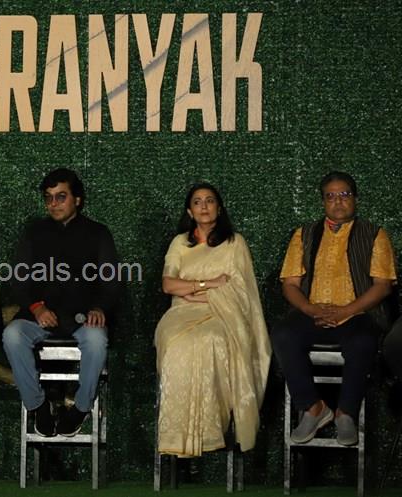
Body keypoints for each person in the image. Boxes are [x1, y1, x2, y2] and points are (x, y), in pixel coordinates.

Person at [272, 171, 397, 446]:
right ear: (323, 202)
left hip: (358, 314)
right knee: (283, 334)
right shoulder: (304, 234)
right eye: (331, 196)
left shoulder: (374, 234)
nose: (338, 201)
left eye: (344, 195)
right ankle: (313, 407)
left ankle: (345, 414)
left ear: (355, 199)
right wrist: (310, 309)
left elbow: (382, 286)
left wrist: (345, 311)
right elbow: (290, 285)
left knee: (363, 341)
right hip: (313, 313)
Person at [2, 168, 121, 437]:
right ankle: (37, 406)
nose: (53, 204)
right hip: (39, 317)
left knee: (96, 340)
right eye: (49, 198)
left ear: (77, 199)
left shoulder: (98, 233)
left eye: (61, 197)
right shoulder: (34, 232)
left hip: (83, 318)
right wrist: (36, 307)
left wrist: (99, 308)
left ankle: (80, 408)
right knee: (12, 335)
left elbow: (112, 282)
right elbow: (18, 281)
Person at [155, 183, 271, 457]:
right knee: (176, 345)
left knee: (211, 339)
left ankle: (210, 430)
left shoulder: (234, 243)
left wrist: (192, 291)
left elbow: (241, 290)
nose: (204, 206)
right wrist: (209, 284)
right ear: (189, 211)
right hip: (181, 314)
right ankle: (177, 437)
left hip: (223, 315)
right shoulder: (180, 243)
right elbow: (168, 285)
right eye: (197, 202)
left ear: (219, 208)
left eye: (209, 201)